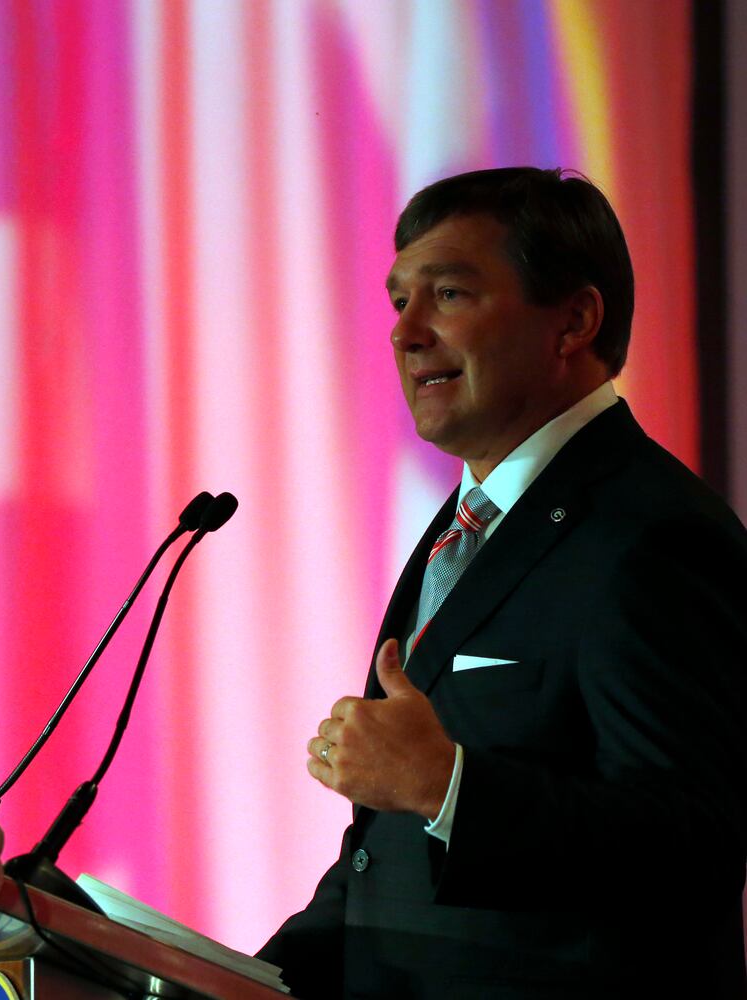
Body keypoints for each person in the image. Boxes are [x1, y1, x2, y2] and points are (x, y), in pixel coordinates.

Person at [257, 167, 747, 999]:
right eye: (398, 300)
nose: (404, 332)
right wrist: (205, 981)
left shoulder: (653, 534)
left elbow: (693, 846)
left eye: (447, 294)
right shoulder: (470, 527)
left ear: (573, 321)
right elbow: (389, 856)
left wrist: (446, 787)